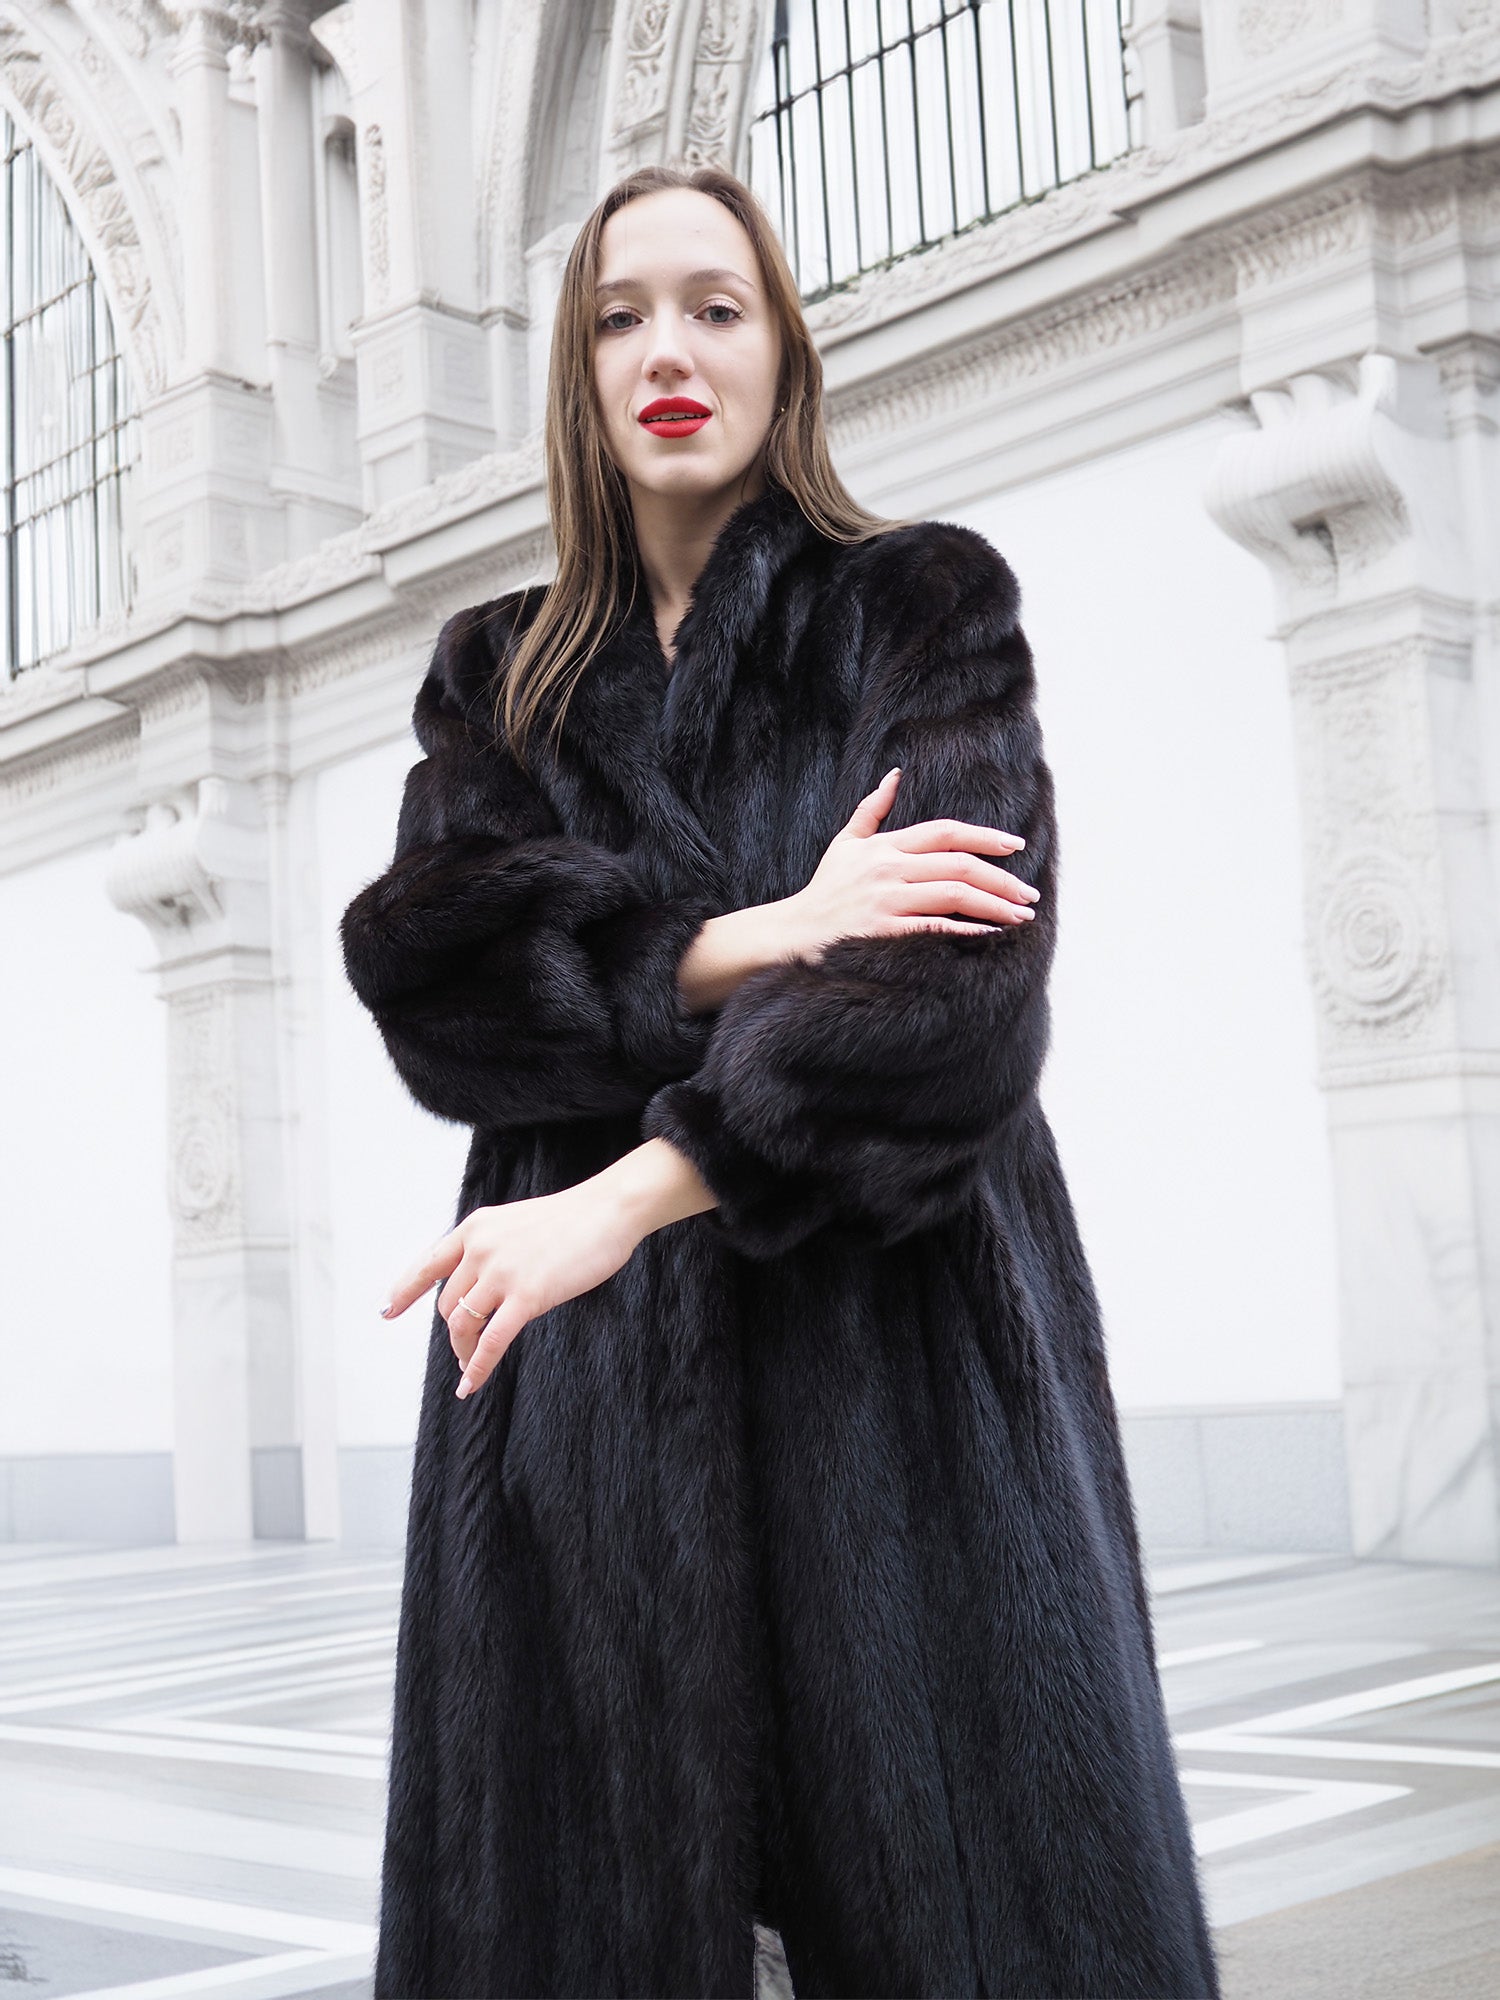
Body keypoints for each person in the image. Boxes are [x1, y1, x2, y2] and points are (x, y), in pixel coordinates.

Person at [340, 163, 1221, 2000]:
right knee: (592, 1912)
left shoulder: (919, 611)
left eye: (716, 307)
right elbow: (431, 970)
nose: (670, 347)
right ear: (578, 375)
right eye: (620, 313)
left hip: (896, 1366)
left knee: (961, 1903)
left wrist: (622, 1191)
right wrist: (748, 937)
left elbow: (952, 993)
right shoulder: (492, 679)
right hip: (583, 1409)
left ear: (781, 354)